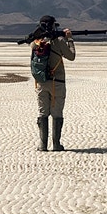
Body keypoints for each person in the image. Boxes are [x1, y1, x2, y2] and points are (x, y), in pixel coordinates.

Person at [30, 15, 76, 151]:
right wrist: (70, 39)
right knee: (57, 113)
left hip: (41, 82)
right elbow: (71, 56)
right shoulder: (59, 41)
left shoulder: (36, 42)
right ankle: (56, 144)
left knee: (42, 112)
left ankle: (43, 145)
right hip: (57, 83)